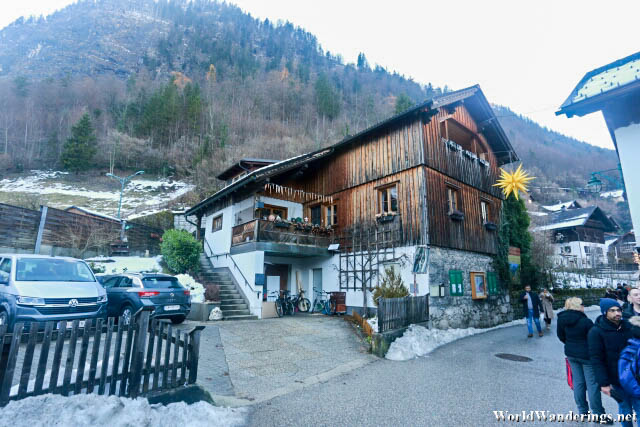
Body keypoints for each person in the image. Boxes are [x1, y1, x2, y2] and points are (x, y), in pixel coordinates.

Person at [557, 297, 606, 418]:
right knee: (592, 384)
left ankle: (583, 411)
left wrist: (570, 344)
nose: (584, 306)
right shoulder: (585, 321)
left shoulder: (562, 319)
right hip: (586, 356)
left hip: (571, 354)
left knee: (578, 383)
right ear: (578, 306)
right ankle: (598, 414)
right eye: (582, 304)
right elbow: (594, 339)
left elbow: (561, 336)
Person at [588, 298, 634, 427]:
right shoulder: (596, 332)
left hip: (634, 376)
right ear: (604, 312)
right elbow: (596, 359)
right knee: (625, 409)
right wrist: (604, 383)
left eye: (618, 310)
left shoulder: (628, 326)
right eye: (612, 310)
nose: (617, 313)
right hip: (616, 378)